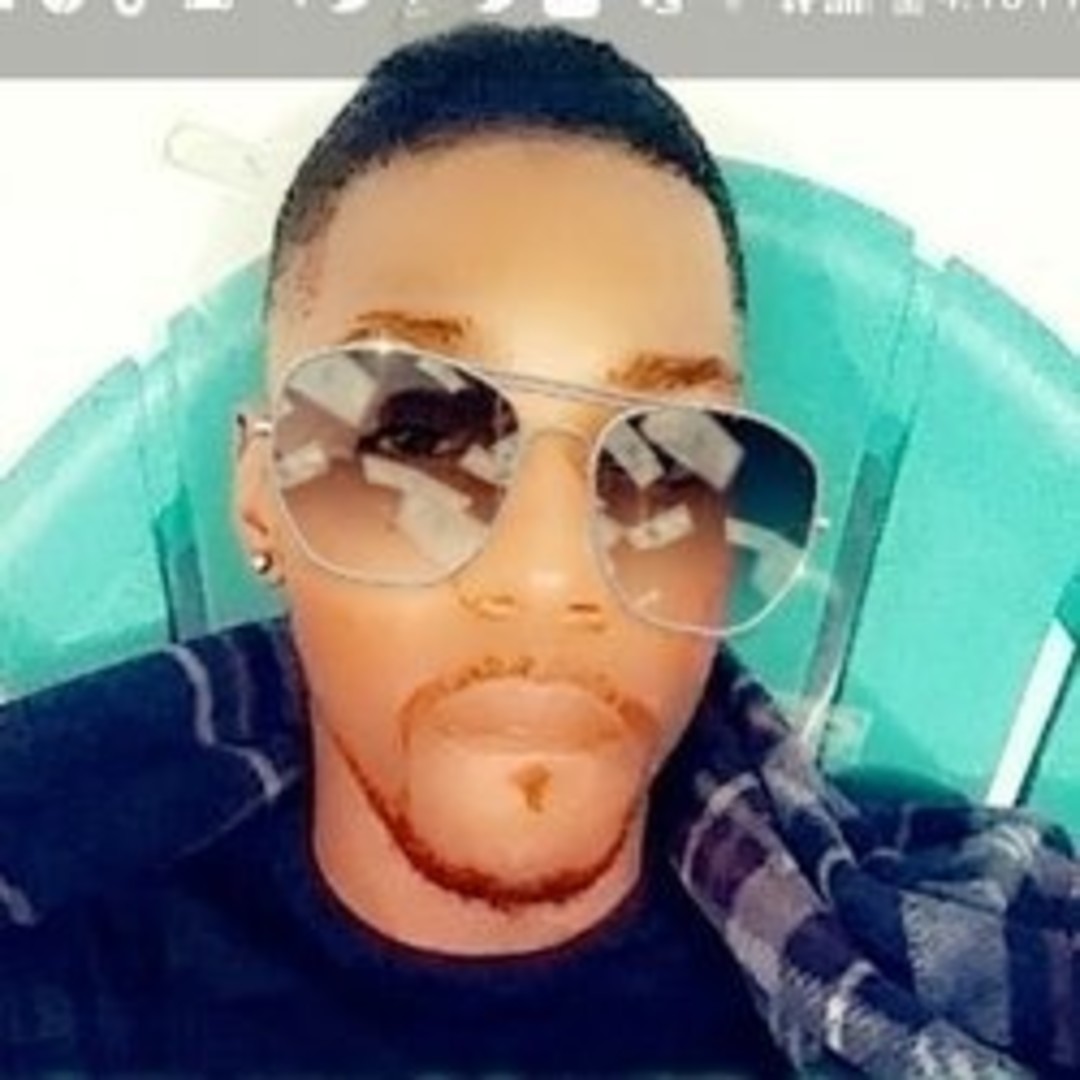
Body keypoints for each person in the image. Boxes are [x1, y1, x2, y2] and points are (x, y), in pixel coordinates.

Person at [1, 23, 1076, 1079]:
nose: (554, 572)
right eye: (416, 438)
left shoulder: (976, 969)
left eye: (671, 459)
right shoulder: (58, 1000)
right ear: (261, 500)